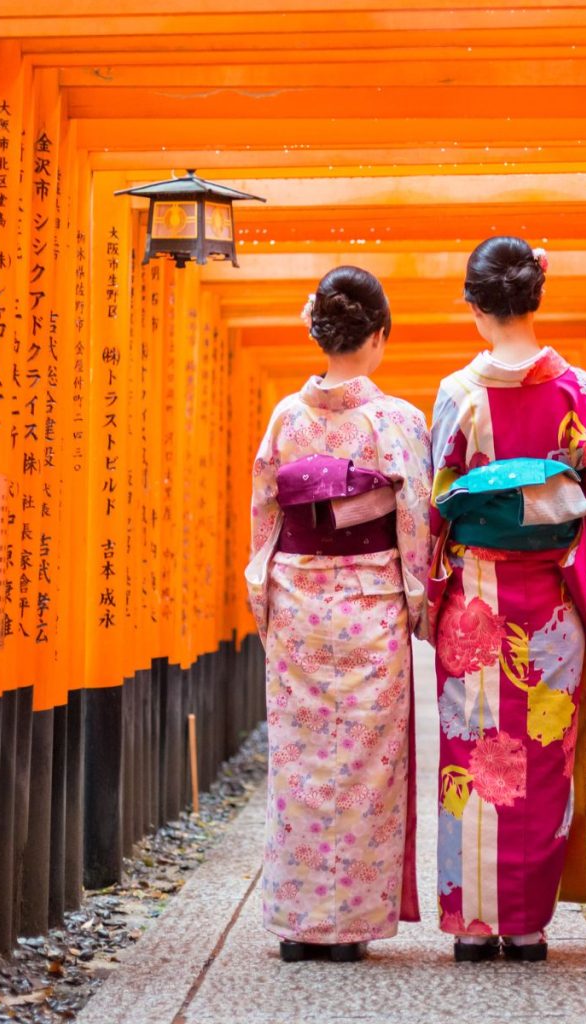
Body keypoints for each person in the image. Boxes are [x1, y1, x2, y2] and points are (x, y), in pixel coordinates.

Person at [428, 236, 586, 963]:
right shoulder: (580, 390)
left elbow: (438, 502)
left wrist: (431, 590)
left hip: (477, 601)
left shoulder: (458, 395)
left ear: (476, 306)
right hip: (550, 609)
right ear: (536, 296)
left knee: (473, 750)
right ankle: (527, 925)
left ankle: (473, 924)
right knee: (541, 756)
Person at [246, 266, 432, 963]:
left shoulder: (286, 419)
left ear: (319, 332)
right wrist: (420, 605)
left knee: (299, 760)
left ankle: (299, 923)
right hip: (369, 604)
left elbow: (265, 517)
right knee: (363, 764)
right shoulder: (398, 421)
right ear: (379, 336)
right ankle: (347, 925)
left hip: (297, 602)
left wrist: (263, 596)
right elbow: (415, 523)